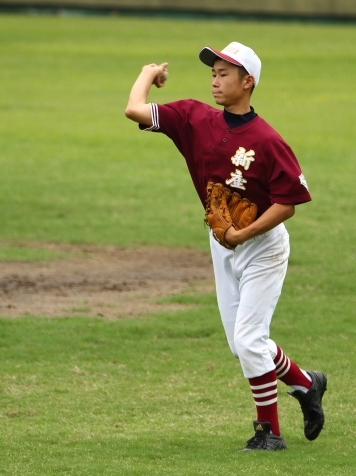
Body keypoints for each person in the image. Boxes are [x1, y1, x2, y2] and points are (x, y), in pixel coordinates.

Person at [124, 42, 327, 451]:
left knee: (250, 341)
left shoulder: (267, 140)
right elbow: (134, 110)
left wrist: (242, 235)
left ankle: (269, 433)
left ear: (247, 82)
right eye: (213, 74)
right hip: (222, 242)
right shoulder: (193, 117)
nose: (215, 81)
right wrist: (149, 73)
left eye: (224, 74)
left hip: (263, 247)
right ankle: (307, 384)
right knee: (242, 345)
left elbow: (288, 203)